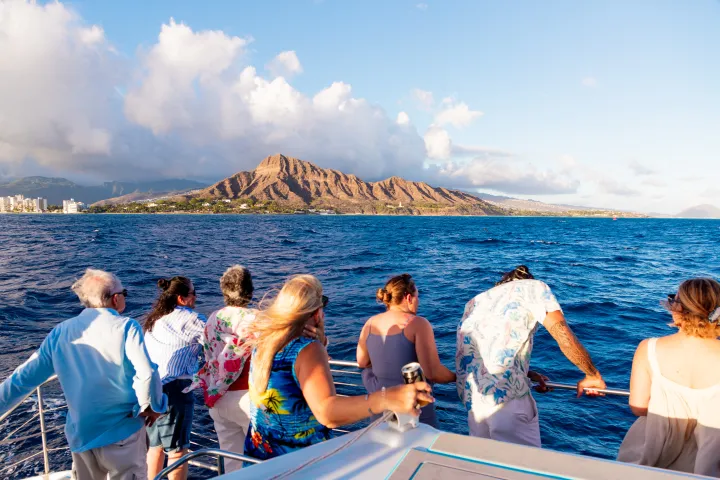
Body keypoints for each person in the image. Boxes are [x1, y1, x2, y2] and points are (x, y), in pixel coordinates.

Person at [0, 268, 167, 480]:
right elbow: (147, 373)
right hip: (122, 434)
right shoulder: (126, 327)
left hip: (82, 435)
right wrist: (152, 406)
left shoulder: (60, 331)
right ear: (116, 299)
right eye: (124, 293)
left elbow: (22, 379)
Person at [244, 274, 433, 460]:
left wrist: (320, 343)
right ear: (316, 313)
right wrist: (386, 398)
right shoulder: (307, 350)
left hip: (261, 459)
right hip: (301, 463)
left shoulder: (264, 341)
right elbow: (327, 413)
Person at [456, 265, 606, 447]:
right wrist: (592, 374)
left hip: (475, 405)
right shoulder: (535, 287)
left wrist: (526, 373)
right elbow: (561, 332)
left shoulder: (475, 302)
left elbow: (480, 355)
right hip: (508, 404)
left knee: (487, 471)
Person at [617, 278, 720, 477]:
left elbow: (638, 407)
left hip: (654, 459)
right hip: (710, 467)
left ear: (678, 309)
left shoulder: (649, 348)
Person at [356, 273, 455, 428]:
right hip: (414, 409)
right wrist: (457, 377)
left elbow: (362, 361)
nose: (418, 301)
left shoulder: (369, 324)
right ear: (409, 298)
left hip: (380, 406)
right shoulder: (418, 324)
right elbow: (432, 372)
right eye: (417, 296)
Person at [185, 265, 256, 472]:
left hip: (218, 397)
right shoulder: (255, 319)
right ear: (250, 292)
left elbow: (208, 353)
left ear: (224, 291)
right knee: (259, 462)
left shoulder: (212, 318)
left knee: (231, 461)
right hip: (248, 397)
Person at [144, 276, 206, 480]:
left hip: (151, 390)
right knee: (178, 451)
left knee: (155, 448)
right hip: (175, 389)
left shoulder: (155, 320)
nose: (196, 297)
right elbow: (217, 340)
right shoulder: (192, 319)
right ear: (181, 298)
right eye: (193, 293)